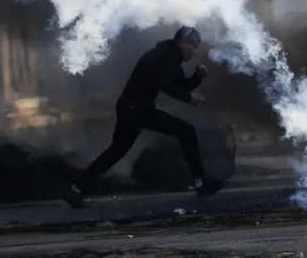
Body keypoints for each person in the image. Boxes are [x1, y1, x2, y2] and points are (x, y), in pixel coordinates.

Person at [63, 26, 224, 208]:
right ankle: (200, 182)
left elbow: (180, 85)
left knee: (115, 152)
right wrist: (188, 98)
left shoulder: (170, 57)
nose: (195, 51)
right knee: (185, 131)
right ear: (183, 43)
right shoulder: (165, 56)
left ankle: (76, 190)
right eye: (193, 46)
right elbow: (163, 83)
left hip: (133, 108)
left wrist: (197, 77)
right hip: (136, 108)